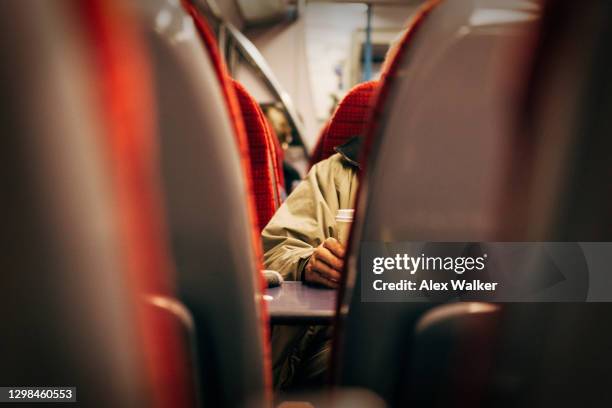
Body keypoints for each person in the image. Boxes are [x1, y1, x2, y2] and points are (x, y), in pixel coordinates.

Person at [262, 136, 361, 390]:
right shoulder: (336, 174)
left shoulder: (475, 177)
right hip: (343, 334)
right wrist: (307, 263)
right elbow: (275, 251)